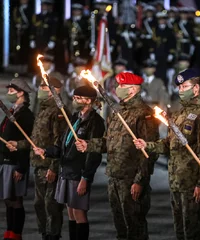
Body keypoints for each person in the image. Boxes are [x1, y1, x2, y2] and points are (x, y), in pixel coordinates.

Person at [75, 72, 160, 240]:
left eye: (122, 86)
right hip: (114, 175)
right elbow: (109, 141)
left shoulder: (144, 114)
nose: (117, 89)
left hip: (131, 177)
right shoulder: (117, 110)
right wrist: (89, 145)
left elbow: (149, 151)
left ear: (133, 90)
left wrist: (140, 180)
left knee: (135, 226)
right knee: (120, 226)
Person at [133, 69, 200, 240]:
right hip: (177, 180)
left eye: (185, 86)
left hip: (192, 181)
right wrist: (147, 145)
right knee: (179, 229)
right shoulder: (180, 114)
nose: (180, 90)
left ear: (196, 89)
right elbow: (168, 144)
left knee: (192, 229)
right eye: (179, 87)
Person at [33, 85, 105, 240]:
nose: (75, 100)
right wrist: (46, 151)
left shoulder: (95, 121)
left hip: (78, 173)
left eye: (78, 98)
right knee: (71, 212)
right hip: (67, 170)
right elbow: (63, 145)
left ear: (88, 101)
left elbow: (94, 153)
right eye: (74, 97)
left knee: (79, 213)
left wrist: (85, 178)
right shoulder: (74, 117)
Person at [7, 76, 69, 240]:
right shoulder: (43, 109)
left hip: (50, 166)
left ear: (55, 90)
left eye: (44, 88)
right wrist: (19, 144)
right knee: (39, 204)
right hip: (39, 165)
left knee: (52, 205)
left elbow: (60, 143)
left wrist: (53, 167)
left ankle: (53, 235)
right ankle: (44, 233)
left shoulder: (58, 111)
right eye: (41, 87)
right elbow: (35, 140)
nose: (40, 90)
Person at [0, 78, 34, 240]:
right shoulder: (13, 111)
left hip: (16, 162)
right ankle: (9, 232)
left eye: (12, 91)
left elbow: (27, 141)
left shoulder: (26, 115)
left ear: (21, 93)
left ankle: (16, 234)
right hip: (6, 161)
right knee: (8, 200)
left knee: (15, 200)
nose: (9, 94)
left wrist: (21, 167)